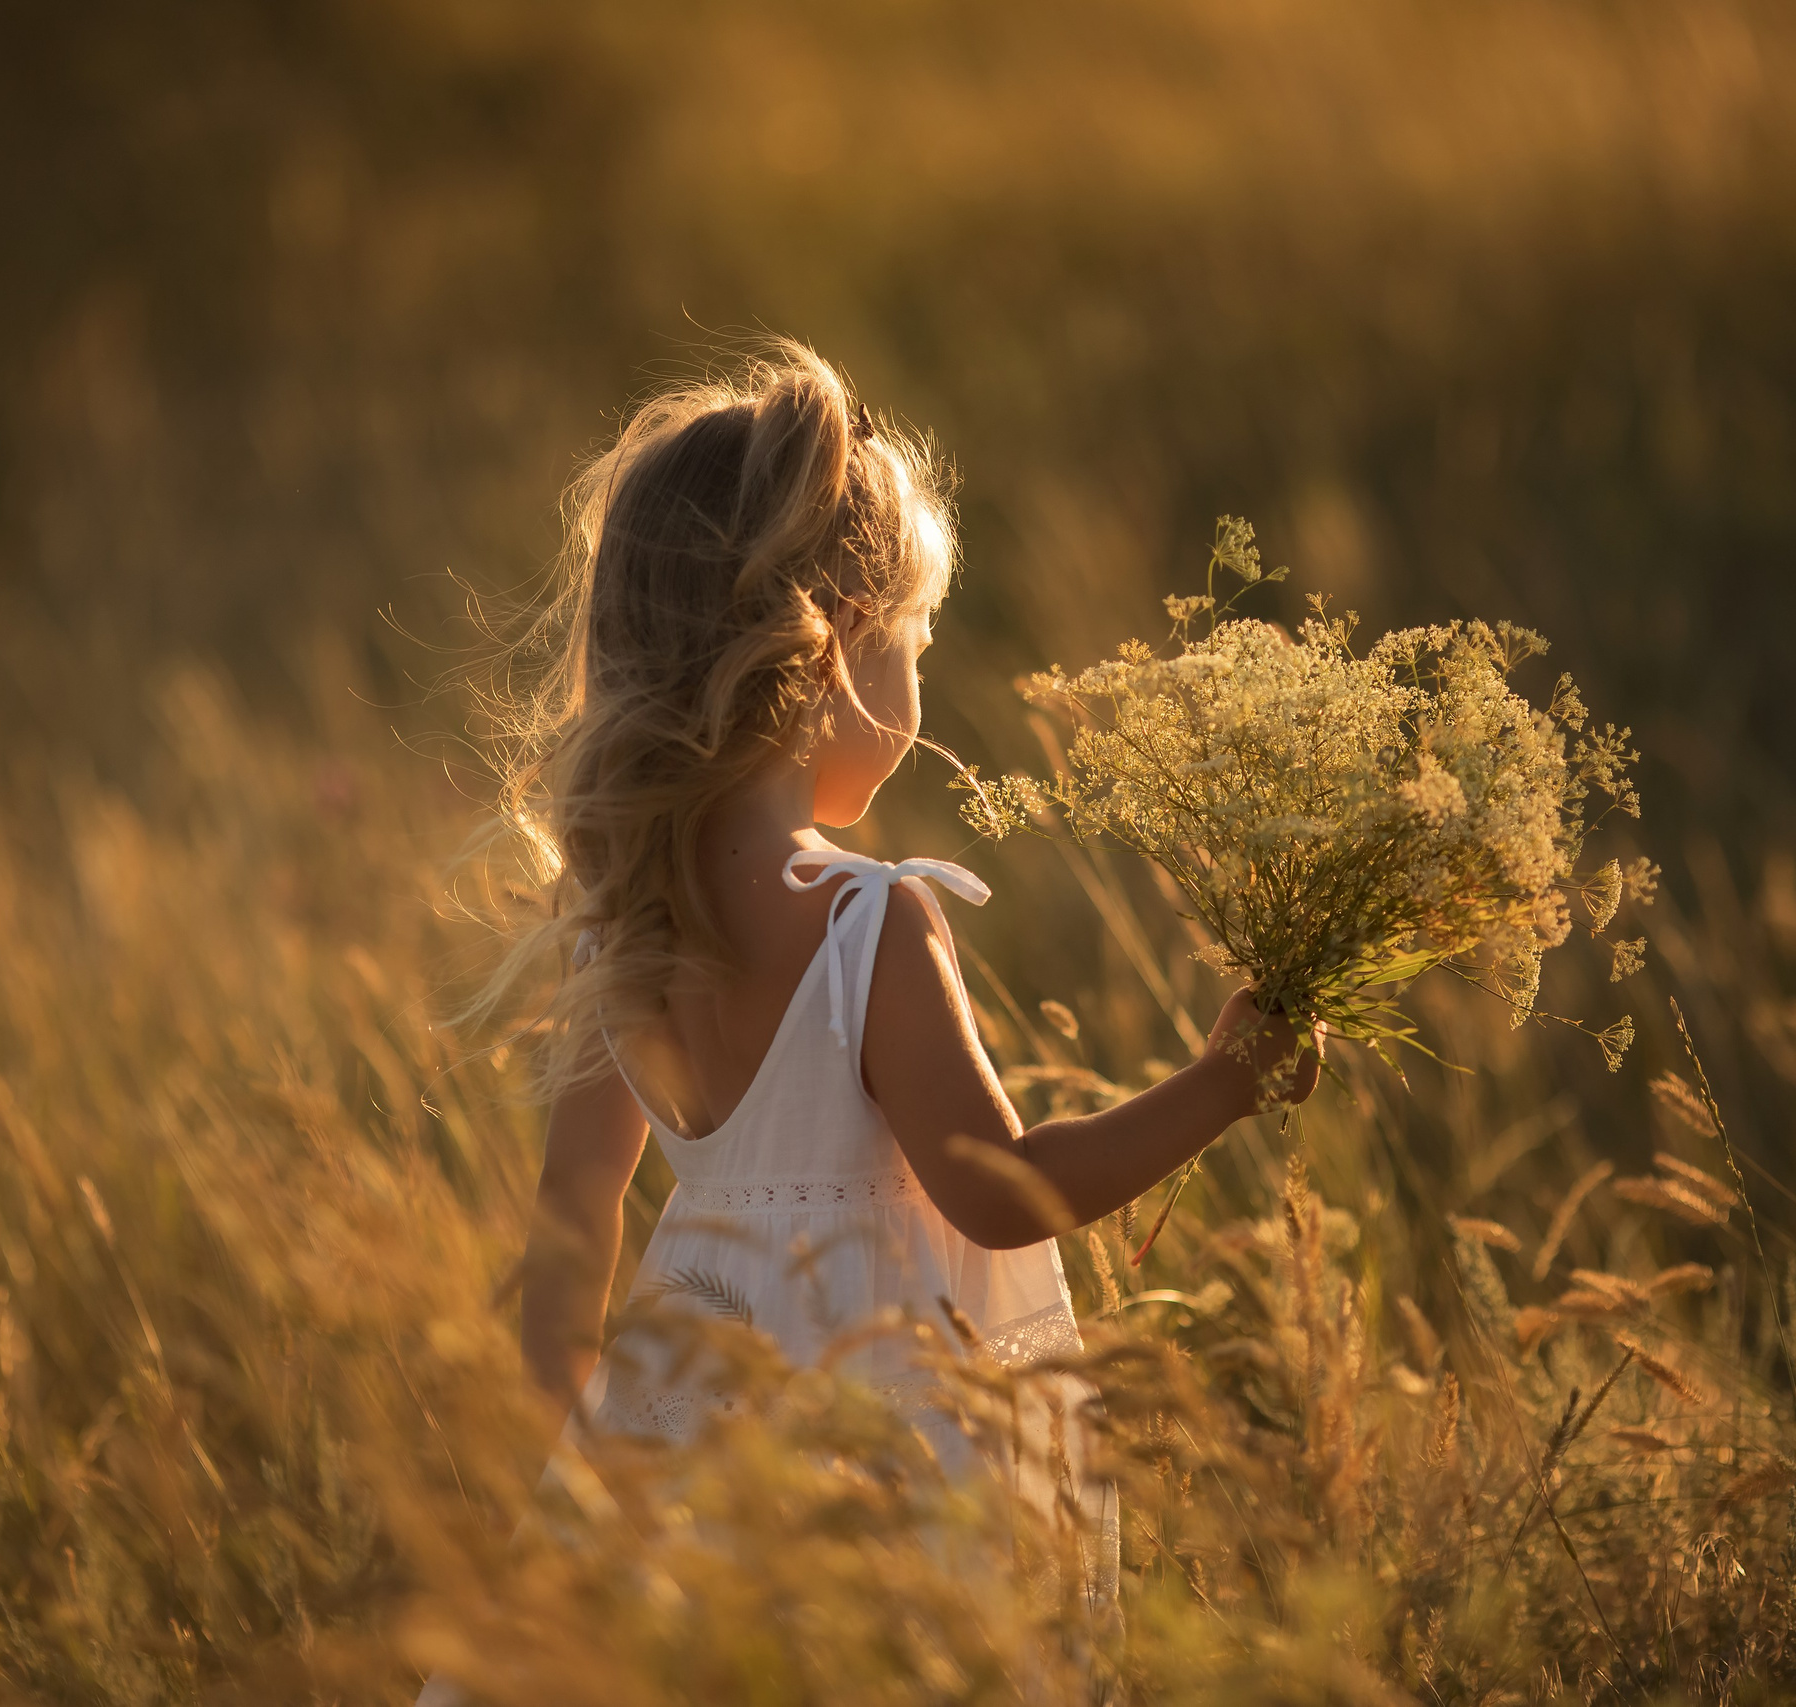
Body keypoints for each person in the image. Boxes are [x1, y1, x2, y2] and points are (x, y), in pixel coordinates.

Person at [478, 337, 1315, 1610]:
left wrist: (579, 1455)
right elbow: (1005, 1193)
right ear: (838, 646)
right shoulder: (867, 924)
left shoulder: (626, 924)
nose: (918, 680)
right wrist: (1223, 1083)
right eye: (916, 641)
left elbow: (573, 1220)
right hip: (870, 1463)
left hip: (681, 1447)